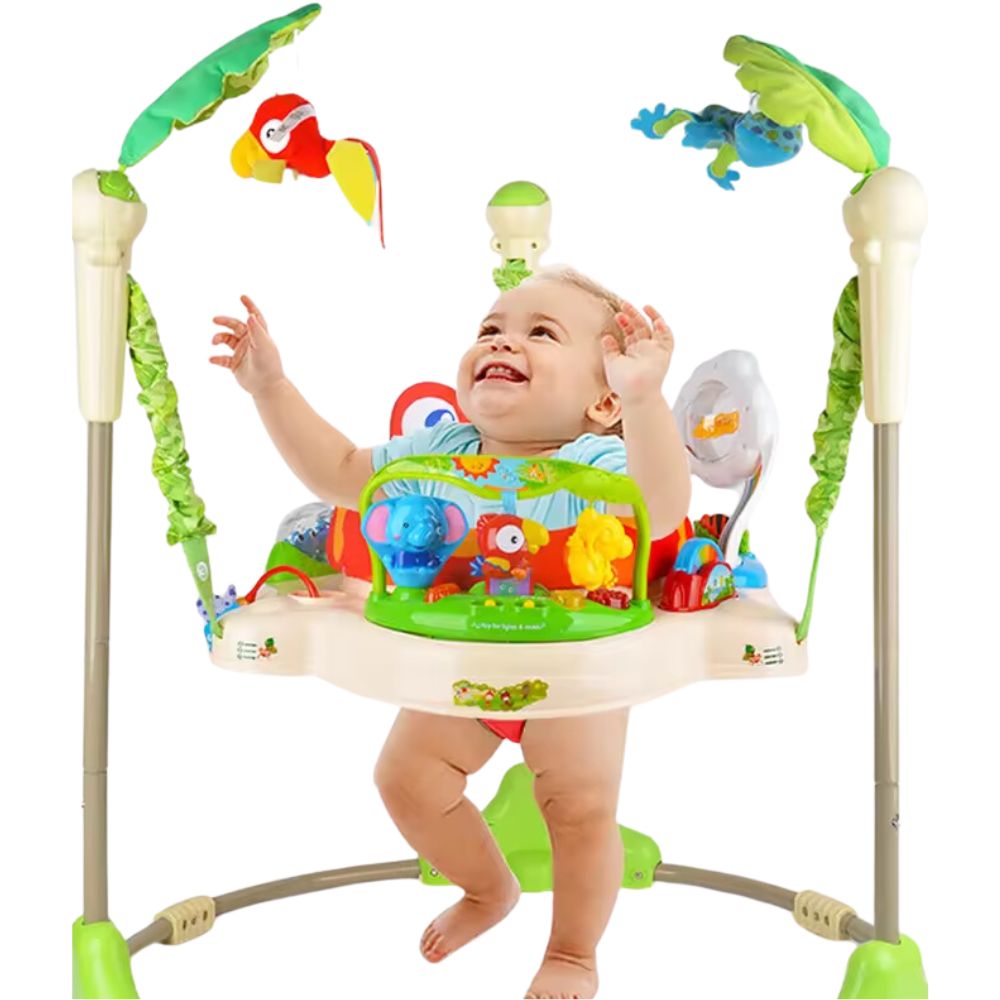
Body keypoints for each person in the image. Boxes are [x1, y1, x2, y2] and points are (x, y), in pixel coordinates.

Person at [210, 267, 691, 999]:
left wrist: (645, 399)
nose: (502, 341)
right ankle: (487, 888)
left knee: (580, 811)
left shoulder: (596, 462)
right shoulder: (442, 454)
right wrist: (270, 387)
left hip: (575, 670)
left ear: (602, 401)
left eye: (541, 332)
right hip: (461, 663)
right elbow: (339, 472)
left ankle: (571, 952)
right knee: (405, 780)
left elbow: (661, 504)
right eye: (490, 329)